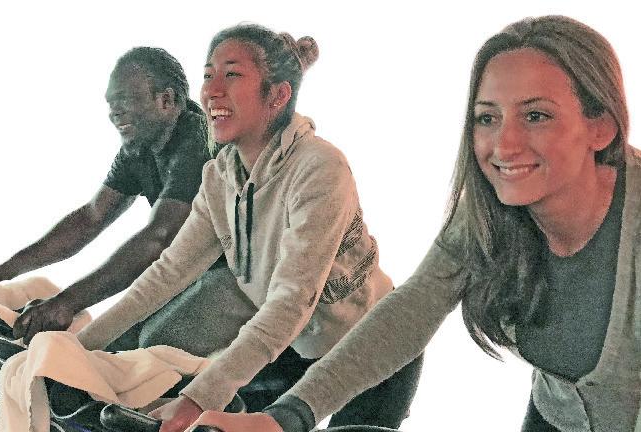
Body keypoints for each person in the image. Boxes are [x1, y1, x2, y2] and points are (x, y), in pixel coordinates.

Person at [192, 15, 640, 432]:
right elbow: (411, 311)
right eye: (487, 118)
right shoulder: (487, 211)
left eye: (536, 116)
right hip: (557, 413)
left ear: (601, 126)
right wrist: (284, 418)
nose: (504, 145)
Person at [73, 23, 422, 432]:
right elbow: (168, 273)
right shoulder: (219, 178)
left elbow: (291, 301)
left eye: (232, 74)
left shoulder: (320, 169)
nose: (212, 91)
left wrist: (196, 401)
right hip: (294, 351)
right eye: (208, 75)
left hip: (374, 346)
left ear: (278, 95)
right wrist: (78, 351)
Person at [0, 47, 239, 353]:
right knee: (109, 343)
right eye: (111, 103)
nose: (114, 112)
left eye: (124, 100)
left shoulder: (198, 138)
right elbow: (91, 217)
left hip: (242, 278)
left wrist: (66, 302)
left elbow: (161, 237)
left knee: (142, 342)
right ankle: (40, 365)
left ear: (166, 100)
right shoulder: (140, 146)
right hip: (192, 275)